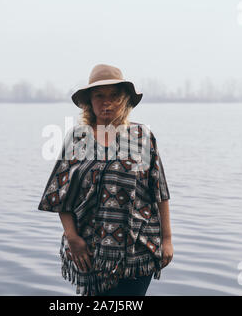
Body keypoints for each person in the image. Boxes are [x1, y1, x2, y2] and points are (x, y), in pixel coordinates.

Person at [38, 63, 174, 296]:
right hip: (90, 251)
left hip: (139, 250)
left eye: (114, 96)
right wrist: (72, 238)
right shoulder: (78, 138)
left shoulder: (142, 136)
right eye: (99, 95)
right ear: (89, 101)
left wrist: (168, 239)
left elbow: (159, 191)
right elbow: (59, 195)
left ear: (124, 100)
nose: (106, 102)